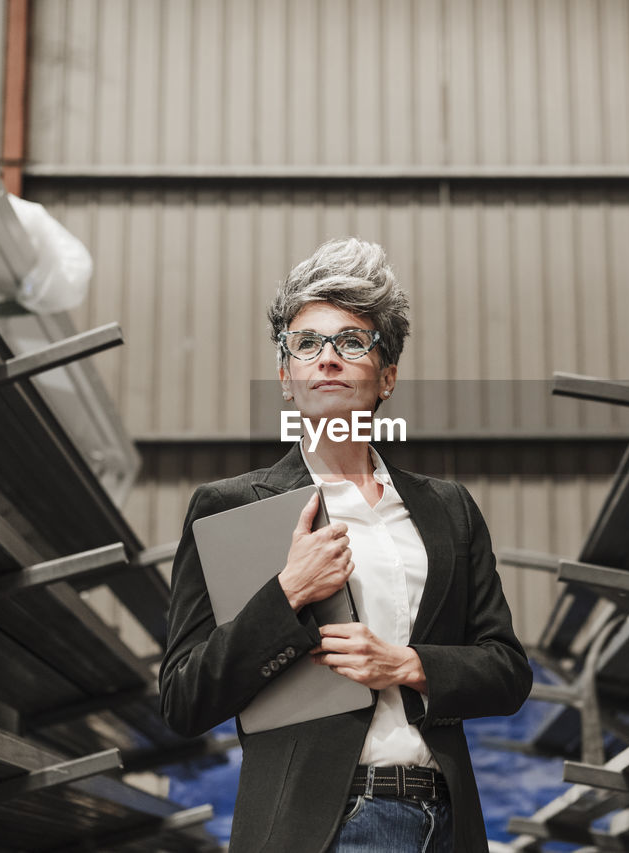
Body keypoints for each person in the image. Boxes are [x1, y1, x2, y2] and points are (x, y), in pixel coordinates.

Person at [159, 237, 533, 853]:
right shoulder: (233, 508)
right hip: (323, 826)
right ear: (286, 377)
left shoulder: (448, 509)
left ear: (386, 376)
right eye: (308, 344)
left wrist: (407, 665)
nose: (327, 358)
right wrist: (286, 595)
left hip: (447, 820)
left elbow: (507, 670)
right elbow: (182, 698)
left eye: (351, 342)